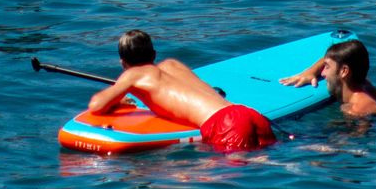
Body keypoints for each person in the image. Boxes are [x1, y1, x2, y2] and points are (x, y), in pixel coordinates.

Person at [87, 30, 277, 153]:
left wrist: (118, 101)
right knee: (270, 161)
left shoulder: (134, 75)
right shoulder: (173, 64)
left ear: (122, 63)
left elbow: (96, 106)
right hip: (246, 112)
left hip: (224, 124)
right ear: (154, 54)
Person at [279, 38, 376, 117]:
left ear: (344, 71)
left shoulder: (355, 111)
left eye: (327, 67)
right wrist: (310, 71)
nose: (322, 73)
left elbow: (351, 143)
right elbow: (337, 57)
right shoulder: (365, 83)